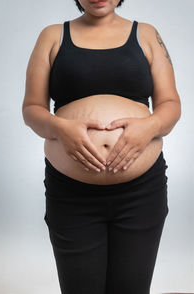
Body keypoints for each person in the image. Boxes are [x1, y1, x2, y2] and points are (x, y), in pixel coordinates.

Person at [22, 0, 181, 293]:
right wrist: (60, 128)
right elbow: (32, 109)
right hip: (71, 194)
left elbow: (170, 105)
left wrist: (149, 127)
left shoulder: (146, 35)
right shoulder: (52, 36)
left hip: (141, 193)